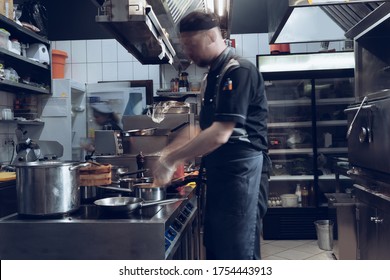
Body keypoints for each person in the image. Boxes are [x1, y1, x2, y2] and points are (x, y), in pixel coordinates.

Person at [152, 11, 269, 260]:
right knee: (217, 249)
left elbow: (220, 134)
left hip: (242, 174)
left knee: (237, 254)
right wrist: (167, 153)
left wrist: (172, 160)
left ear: (210, 36)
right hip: (221, 174)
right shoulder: (211, 76)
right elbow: (200, 130)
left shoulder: (238, 71)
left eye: (191, 45)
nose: (188, 53)